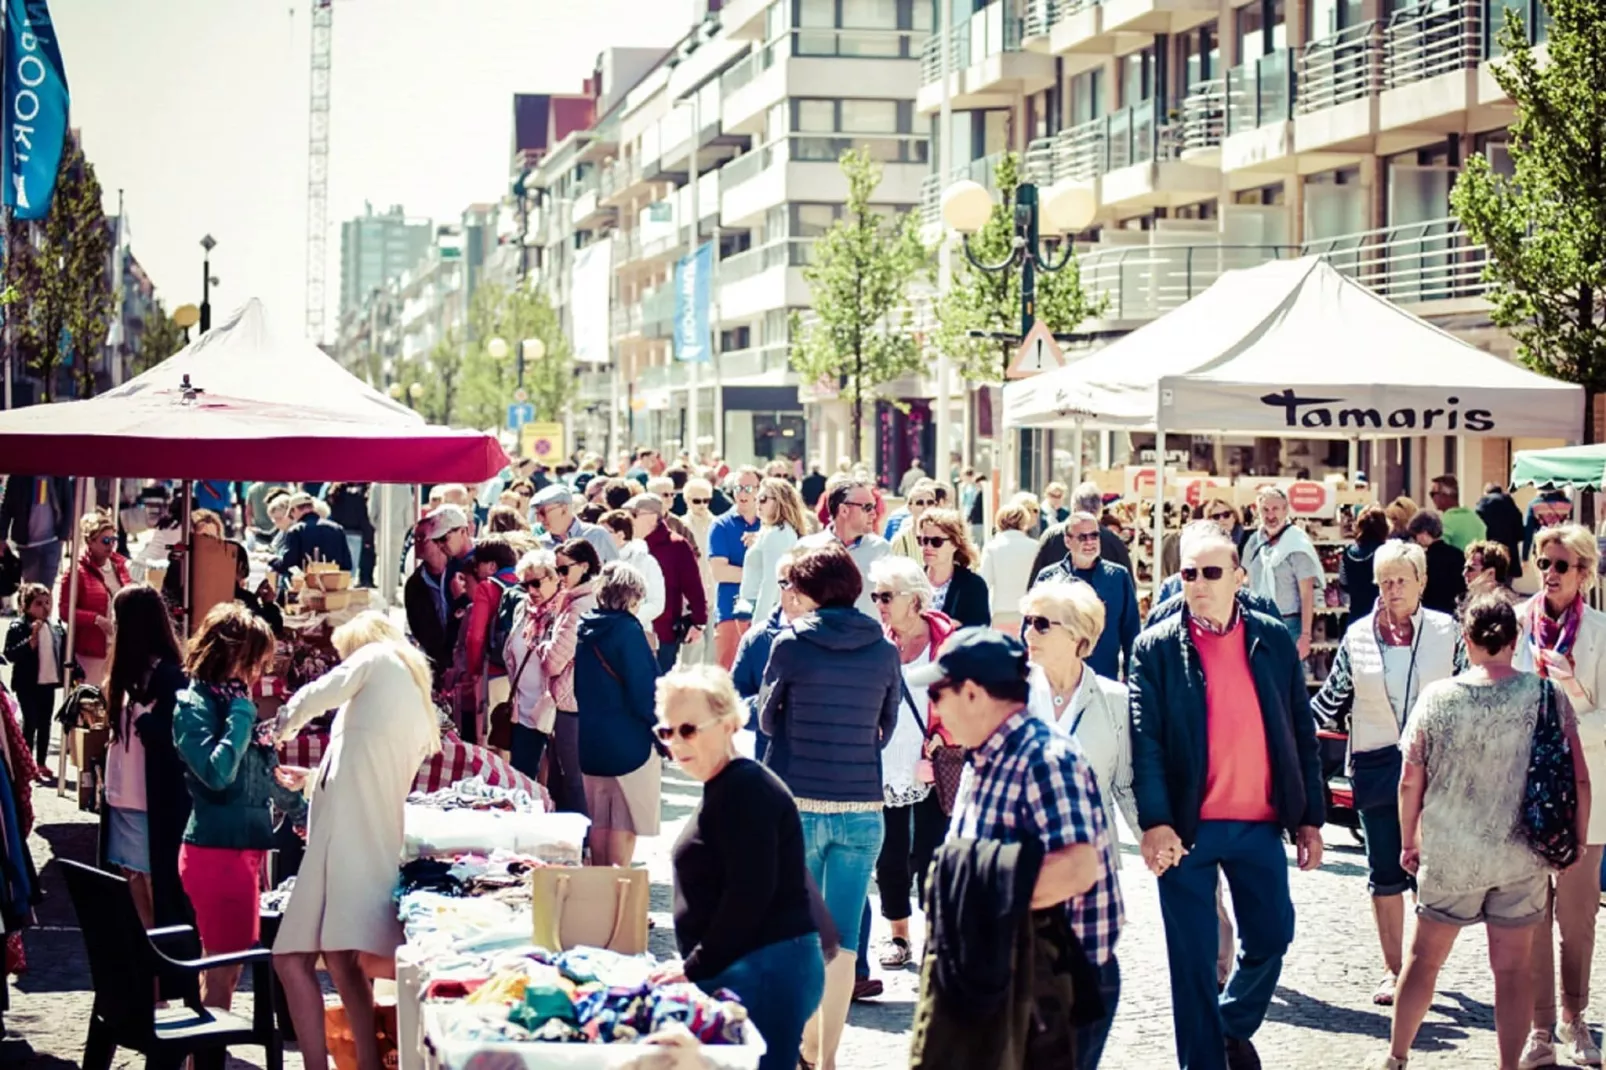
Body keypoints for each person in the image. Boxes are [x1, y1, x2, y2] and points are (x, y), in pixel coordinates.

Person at [1128, 525, 1325, 1070]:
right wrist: (1156, 822)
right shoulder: (1156, 648)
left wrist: (1310, 818)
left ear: (1239, 577)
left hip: (1259, 823)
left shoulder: (1272, 637)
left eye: (1211, 572)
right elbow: (1144, 743)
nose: (1198, 583)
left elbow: (1300, 731)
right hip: (1188, 831)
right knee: (1191, 963)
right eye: (1188, 573)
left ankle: (1230, 1025)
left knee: (1272, 934)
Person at [1379, 594, 1591, 1070]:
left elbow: (1410, 778)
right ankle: (1508, 1066)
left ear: (1466, 640)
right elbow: (1579, 776)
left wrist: (1409, 838)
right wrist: (1576, 839)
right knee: (1513, 970)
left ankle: (1396, 1057)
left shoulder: (1437, 697)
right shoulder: (1547, 695)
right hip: (1521, 855)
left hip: (1451, 852)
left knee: (1424, 961)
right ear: (1515, 642)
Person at [914, 627, 1122, 1070]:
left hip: (1059, 981)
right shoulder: (985, 756)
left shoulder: (1046, 760)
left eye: (938, 693)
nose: (934, 707)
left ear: (972, 694)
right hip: (1010, 971)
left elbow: (1076, 869)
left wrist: (979, 908)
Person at [270, 613, 441, 1070]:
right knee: (343, 962)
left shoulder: (377, 657)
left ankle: (322, 1065)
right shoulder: (411, 696)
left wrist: (280, 726)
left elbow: (320, 693)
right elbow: (360, 767)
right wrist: (310, 782)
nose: (342, 660)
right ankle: (361, 1062)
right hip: (363, 839)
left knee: (293, 959)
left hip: (342, 844)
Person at [758, 541, 900, 1070]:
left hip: (798, 801)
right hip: (861, 801)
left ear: (811, 590)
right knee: (845, 940)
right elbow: (885, 729)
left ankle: (804, 1044)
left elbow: (768, 720)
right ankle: (828, 1056)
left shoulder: (791, 644)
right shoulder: (883, 649)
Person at [1311, 540, 1466, 1008]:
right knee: (1384, 872)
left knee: (1435, 877)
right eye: (1384, 581)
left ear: (1421, 581)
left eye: (1401, 580)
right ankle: (1393, 969)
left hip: (1438, 767)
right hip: (1378, 765)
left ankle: (1424, 967)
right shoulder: (1357, 635)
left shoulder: (1447, 631)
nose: (1392, 589)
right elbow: (1331, 702)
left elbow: (1470, 692)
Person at [654, 667, 825, 1070]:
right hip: (751, 966)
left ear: (729, 723)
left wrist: (694, 967)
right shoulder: (726, 785)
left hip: (765, 969)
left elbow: (750, 893)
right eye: (667, 732)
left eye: (689, 729)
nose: (676, 743)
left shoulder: (745, 789)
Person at [172, 603, 305, 1010]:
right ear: (231, 655)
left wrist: (301, 814)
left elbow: (263, 776)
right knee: (223, 974)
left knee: (221, 969)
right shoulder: (194, 705)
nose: (259, 674)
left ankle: (199, 1055)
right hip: (216, 853)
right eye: (256, 662)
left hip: (241, 852)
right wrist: (243, 715)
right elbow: (218, 773)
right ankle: (205, 1056)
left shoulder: (230, 702)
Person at [1514, 524, 1606, 1069]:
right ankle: (1540, 1026)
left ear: (1584, 573)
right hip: (1524, 790)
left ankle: (1577, 1016)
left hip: (1586, 790)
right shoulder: (1517, 626)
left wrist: (1565, 715)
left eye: (1561, 565)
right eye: (1543, 562)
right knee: (1529, 916)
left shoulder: (1600, 631)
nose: (1549, 573)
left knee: (1577, 917)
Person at [859, 557, 955, 974]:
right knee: (890, 855)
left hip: (933, 758)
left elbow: (965, 694)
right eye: (875, 594)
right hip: (886, 761)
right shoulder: (876, 641)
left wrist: (944, 736)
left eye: (886, 595)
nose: (878, 603)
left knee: (935, 852)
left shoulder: (948, 642)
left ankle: (938, 938)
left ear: (915, 600)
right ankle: (898, 935)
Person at [103, 585, 193, 936]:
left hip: (150, 798)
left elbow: (175, 739)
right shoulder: (127, 672)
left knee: (157, 888)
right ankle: (148, 973)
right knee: (134, 882)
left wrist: (141, 716)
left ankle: (159, 977)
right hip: (123, 793)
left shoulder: (170, 675)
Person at [1023, 580, 1138, 854]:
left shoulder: (1115, 701)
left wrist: (1154, 843)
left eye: (1041, 624)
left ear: (1077, 634)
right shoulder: (1006, 694)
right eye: (1028, 622)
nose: (1029, 634)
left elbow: (1126, 787)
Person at [574, 561, 662, 866]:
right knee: (624, 823)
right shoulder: (627, 630)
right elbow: (645, 693)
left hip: (591, 738)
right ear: (633, 596)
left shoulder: (585, 628)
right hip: (629, 742)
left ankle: (599, 891)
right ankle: (618, 894)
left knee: (599, 821)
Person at [1031, 511, 1140, 681]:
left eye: (1094, 536)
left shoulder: (1118, 577)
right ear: (1067, 541)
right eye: (1082, 537)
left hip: (1104, 678)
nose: (1090, 542)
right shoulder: (1049, 577)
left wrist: (1130, 674)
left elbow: (1131, 630)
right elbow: (1031, 626)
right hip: (1056, 679)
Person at [540, 539, 601, 814]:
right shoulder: (584, 601)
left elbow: (554, 662)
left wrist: (540, 646)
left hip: (572, 702)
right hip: (579, 700)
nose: (560, 577)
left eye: (564, 570)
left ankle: (582, 845)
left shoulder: (578, 607)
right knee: (571, 779)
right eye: (557, 571)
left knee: (572, 780)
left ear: (585, 566)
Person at [733, 550, 804, 766]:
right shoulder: (757, 638)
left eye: (800, 582)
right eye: (785, 583)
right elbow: (733, 701)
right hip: (770, 760)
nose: (792, 591)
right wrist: (769, 704)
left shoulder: (831, 636)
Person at [501, 549, 564, 779]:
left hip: (554, 710)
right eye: (525, 585)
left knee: (559, 781)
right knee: (522, 778)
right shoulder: (522, 608)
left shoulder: (563, 611)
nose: (531, 591)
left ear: (555, 577)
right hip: (523, 710)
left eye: (536, 583)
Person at [1242, 486, 1324, 660]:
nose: (1270, 515)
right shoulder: (1253, 542)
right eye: (1265, 509)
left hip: (1289, 625)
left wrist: (1305, 636)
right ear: (1258, 512)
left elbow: (1306, 594)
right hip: (1257, 622)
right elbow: (1245, 581)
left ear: (1285, 510)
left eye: (1275, 509)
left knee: (1288, 684)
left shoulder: (1297, 543)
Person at [631, 494, 708, 672]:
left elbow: (693, 586)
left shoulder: (677, 545)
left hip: (663, 633)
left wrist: (698, 622)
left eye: (634, 514)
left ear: (652, 517)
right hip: (631, 631)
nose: (630, 519)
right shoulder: (631, 545)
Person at [796, 478, 890, 619]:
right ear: (844, 510)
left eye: (874, 507)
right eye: (868, 507)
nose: (874, 514)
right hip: (817, 637)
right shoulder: (807, 548)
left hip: (865, 638)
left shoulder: (882, 549)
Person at [403, 505, 473, 685]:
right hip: (439, 666)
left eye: (422, 538)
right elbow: (422, 631)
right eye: (414, 538)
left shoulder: (462, 570)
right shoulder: (415, 584)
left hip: (467, 662)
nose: (416, 543)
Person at [62, 511, 131, 687]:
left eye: (113, 540)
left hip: (119, 646)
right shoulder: (77, 572)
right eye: (105, 541)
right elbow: (65, 611)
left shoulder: (120, 566)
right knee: (92, 701)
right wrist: (96, 619)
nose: (111, 546)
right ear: (89, 542)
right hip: (91, 650)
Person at [5, 583, 67, 774]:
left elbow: (65, 654)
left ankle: (41, 762)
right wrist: (29, 643)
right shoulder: (19, 627)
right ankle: (26, 761)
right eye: (39, 603)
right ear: (26, 606)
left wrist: (76, 672)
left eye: (48, 602)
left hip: (47, 682)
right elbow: (9, 654)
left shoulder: (56, 628)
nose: (45, 608)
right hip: (27, 683)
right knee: (30, 721)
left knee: (45, 723)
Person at [706, 468, 763, 669]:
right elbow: (720, 572)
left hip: (766, 612)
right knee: (728, 676)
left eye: (748, 488)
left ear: (760, 491)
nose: (742, 493)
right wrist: (762, 576)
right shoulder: (721, 525)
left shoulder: (770, 527)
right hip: (730, 612)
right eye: (738, 488)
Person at [736, 477, 806, 627]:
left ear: (780, 501)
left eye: (763, 499)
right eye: (756, 499)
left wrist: (759, 624)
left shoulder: (778, 534)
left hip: (764, 609)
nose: (757, 503)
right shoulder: (772, 531)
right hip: (754, 606)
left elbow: (771, 582)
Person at [1031, 482, 1133, 581]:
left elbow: (1034, 585)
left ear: (1074, 507)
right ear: (1099, 509)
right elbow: (1129, 588)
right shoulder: (1113, 541)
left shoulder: (1051, 537)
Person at [918, 507, 990, 629]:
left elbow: (979, 633)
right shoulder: (912, 580)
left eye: (936, 541)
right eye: (924, 540)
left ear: (955, 544)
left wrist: (949, 629)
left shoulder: (973, 585)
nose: (928, 547)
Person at [599, 509, 666, 635]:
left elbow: (657, 603)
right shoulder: (599, 560)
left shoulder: (646, 561)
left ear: (621, 535)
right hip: (602, 633)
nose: (600, 538)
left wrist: (625, 620)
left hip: (635, 632)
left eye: (604, 533)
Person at [978, 500, 1040, 631]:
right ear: (1024, 522)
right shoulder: (1035, 547)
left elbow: (984, 583)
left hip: (1001, 611)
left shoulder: (991, 547)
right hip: (1028, 611)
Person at [0, 475, 71, 585]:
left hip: (51, 542)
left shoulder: (59, 476)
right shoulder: (19, 477)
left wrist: (63, 535)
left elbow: (68, 504)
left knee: (46, 590)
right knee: (30, 589)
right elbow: (7, 508)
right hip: (27, 544)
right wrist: (2, 537)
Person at [269, 492, 353, 575]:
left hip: (307, 585)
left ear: (294, 510)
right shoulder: (337, 528)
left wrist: (271, 560)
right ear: (312, 507)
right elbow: (347, 564)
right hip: (334, 584)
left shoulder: (296, 530)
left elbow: (288, 564)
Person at [532, 484, 617, 564]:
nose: (539, 519)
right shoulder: (540, 545)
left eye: (543, 512)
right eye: (537, 513)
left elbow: (618, 575)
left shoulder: (597, 536)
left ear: (564, 509)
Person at [1406, 510, 1466, 615]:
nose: (1416, 541)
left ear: (1424, 533)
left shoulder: (1425, 560)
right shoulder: (1458, 554)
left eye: (1416, 536)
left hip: (1431, 612)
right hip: (1455, 611)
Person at [1340, 505, 1390, 626]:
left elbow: (1343, 584)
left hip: (1356, 617)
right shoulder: (1388, 553)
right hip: (1382, 618)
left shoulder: (1348, 553)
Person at [324, 483, 374, 576]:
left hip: (337, 533)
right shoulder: (361, 495)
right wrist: (368, 537)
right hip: (356, 533)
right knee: (352, 567)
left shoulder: (336, 492)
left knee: (337, 565)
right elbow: (363, 518)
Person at [1428, 474, 1485, 551]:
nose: (1432, 498)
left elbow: (1439, 553)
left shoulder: (1445, 522)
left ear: (1445, 495)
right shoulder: (1476, 520)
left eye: (1433, 494)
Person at [1476, 482, 1525, 571]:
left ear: (1486, 492)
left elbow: (1478, 527)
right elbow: (1520, 532)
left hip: (1490, 551)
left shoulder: (1483, 503)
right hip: (1509, 551)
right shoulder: (1509, 502)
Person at [886, 480, 941, 556]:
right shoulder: (901, 540)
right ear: (910, 507)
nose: (925, 507)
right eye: (920, 503)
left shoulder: (944, 536)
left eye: (930, 502)